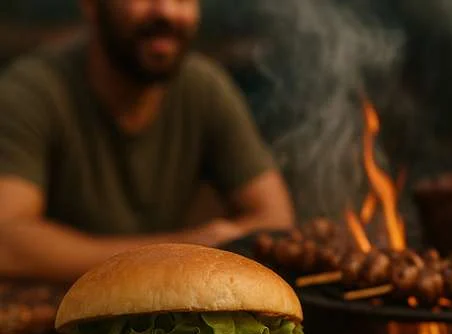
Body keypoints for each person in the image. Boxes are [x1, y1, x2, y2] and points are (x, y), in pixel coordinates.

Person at [0, 0, 295, 282]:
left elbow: (277, 217)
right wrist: (180, 250)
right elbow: (7, 243)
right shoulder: (32, 90)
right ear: (90, 4)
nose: (166, 11)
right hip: (54, 318)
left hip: (160, 316)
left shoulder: (204, 87)